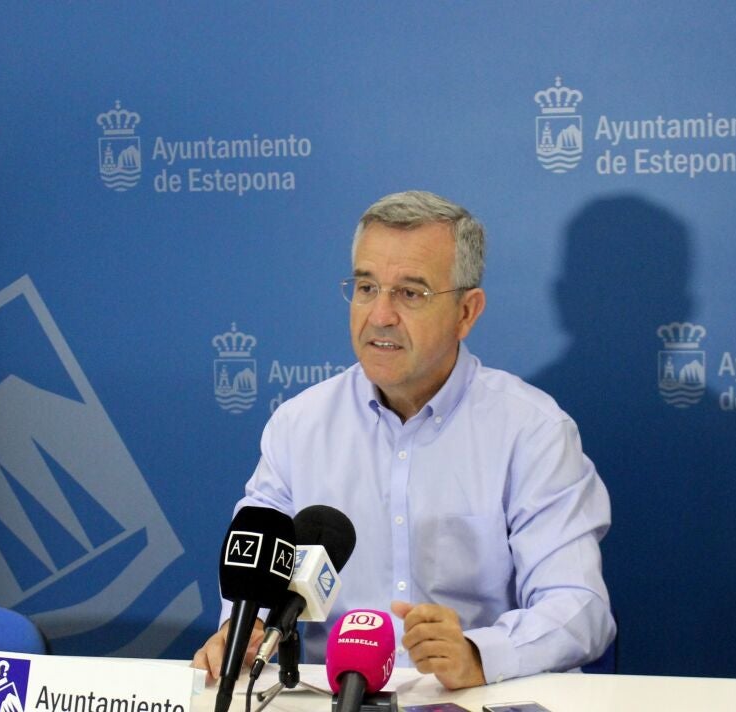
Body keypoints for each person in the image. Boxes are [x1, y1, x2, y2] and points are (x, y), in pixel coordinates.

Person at [192, 190, 614, 689]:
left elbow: (579, 607)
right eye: (366, 287)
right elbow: (257, 566)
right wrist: (242, 630)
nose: (380, 315)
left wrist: (479, 653)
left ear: (466, 312)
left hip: (474, 697)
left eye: (410, 293)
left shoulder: (532, 431)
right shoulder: (298, 426)